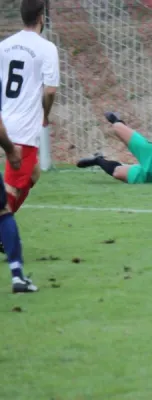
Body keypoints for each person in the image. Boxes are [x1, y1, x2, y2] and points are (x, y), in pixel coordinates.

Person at [0, 0, 60, 213]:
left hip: (4, 121)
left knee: (33, 173)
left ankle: (5, 226)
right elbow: (50, 90)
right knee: (12, 186)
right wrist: (46, 114)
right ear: (41, 17)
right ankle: (4, 230)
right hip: (23, 127)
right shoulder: (46, 48)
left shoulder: (4, 46)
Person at [0, 78, 38, 293]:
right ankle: (17, 276)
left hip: (21, 128)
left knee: (34, 171)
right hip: (21, 131)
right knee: (4, 210)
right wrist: (10, 150)